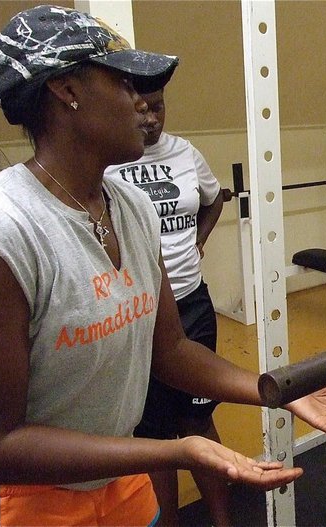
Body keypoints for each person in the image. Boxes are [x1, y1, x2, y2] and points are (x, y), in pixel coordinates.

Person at [0, 6, 326, 526]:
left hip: (117, 477)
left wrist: (277, 392)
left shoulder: (128, 205)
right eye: (124, 82)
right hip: (25, 498)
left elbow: (172, 350)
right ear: (67, 90)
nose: (144, 103)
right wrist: (177, 452)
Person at [104, 88, 230, 526]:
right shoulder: (110, 162)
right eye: (140, 108)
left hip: (192, 303)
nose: (150, 117)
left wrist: (199, 240)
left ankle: (225, 521)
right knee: (156, 433)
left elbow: (215, 198)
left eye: (157, 106)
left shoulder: (185, 153)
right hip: (141, 312)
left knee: (196, 422)